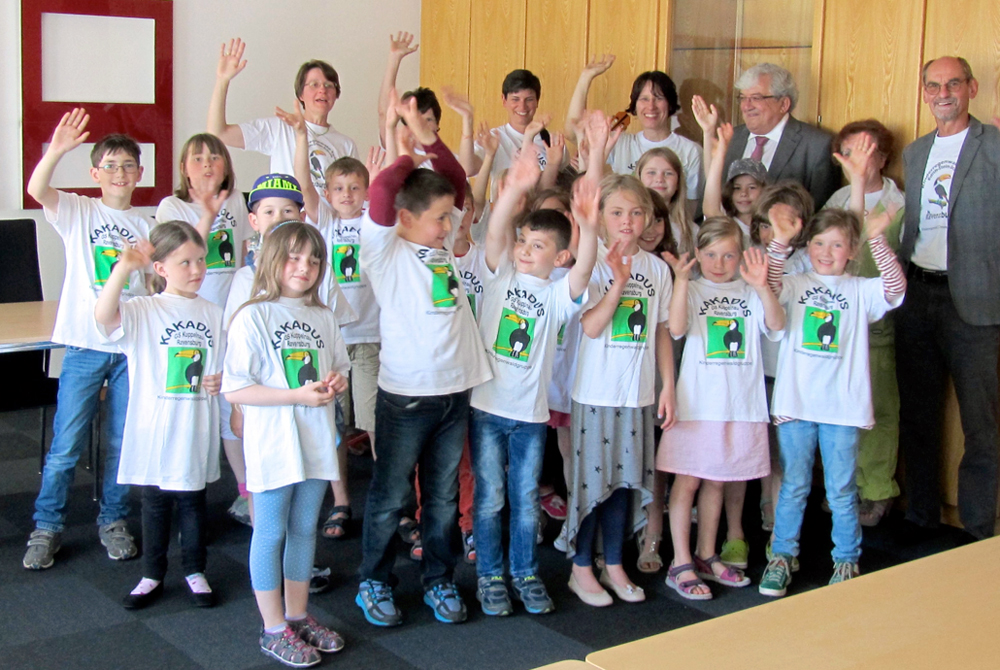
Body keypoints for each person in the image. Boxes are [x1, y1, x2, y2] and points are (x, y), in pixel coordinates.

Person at [355, 92, 491, 627]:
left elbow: (454, 178)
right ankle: (374, 579)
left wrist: (426, 135)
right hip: (407, 396)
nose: (447, 226)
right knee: (391, 496)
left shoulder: (436, 242)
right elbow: (382, 191)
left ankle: (438, 579)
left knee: (441, 497)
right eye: (437, 219)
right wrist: (407, 152)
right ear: (406, 218)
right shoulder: (384, 251)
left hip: (454, 392)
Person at [469, 134, 600, 616]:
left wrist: (587, 226)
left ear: (559, 257)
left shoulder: (557, 296)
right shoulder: (498, 275)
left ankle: (524, 572)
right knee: (489, 498)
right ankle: (490, 574)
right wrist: (516, 187)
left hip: (529, 416)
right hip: (486, 409)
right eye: (523, 242)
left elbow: (585, 270)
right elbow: (496, 229)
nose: (524, 250)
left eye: (538, 245)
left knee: (524, 498)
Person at [23, 109, 151, 570]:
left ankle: (113, 519)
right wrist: (57, 149)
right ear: (95, 174)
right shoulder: (79, 210)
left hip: (129, 350)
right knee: (66, 445)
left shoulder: (148, 226)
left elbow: (153, 288)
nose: (120, 173)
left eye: (128, 165)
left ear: (140, 173)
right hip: (83, 346)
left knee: (120, 442)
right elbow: (37, 190)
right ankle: (47, 525)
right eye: (110, 166)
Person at [759, 207, 906, 597]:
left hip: (842, 409)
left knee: (841, 490)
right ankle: (782, 555)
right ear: (808, 246)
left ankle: (845, 559)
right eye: (819, 243)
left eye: (837, 245)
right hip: (796, 404)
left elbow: (894, 289)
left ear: (852, 251)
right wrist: (780, 241)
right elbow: (768, 286)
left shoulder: (860, 289)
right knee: (794, 485)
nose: (826, 252)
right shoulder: (796, 283)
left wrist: (878, 238)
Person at [223, 222, 351, 667]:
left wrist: (337, 381)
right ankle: (273, 627)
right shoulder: (253, 315)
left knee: (302, 529)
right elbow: (236, 389)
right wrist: (295, 396)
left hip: (315, 441)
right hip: (274, 444)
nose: (305, 267)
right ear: (272, 260)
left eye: (314, 259)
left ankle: (297, 615)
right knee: (270, 531)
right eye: (294, 257)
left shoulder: (324, 316)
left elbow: (339, 368)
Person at [566, 126, 676, 606]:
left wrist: (668, 386)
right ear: (602, 217)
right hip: (596, 392)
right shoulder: (592, 263)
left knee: (624, 484)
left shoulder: (657, 268)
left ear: (648, 216)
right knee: (592, 483)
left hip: (638, 394)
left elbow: (661, 330)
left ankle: (614, 563)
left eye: (636, 212)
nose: (627, 222)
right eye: (616, 213)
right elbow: (591, 326)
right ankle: (580, 567)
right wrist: (617, 283)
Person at [94, 222, 224, 610]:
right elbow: (103, 316)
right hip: (154, 427)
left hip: (194, 425)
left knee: (192, 500)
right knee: (154, 502)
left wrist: (221, 378)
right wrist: (124, 268)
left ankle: (195, 570)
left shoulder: (214, 313)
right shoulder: (144, 309)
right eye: (185, 262)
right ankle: (152, 573)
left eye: (200, 260)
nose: (197, 269)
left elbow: (225, 365)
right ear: (161, 268)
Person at [896, 56, 1000, 541]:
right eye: (934, 85)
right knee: (918, 414)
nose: (943, 93)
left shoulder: (994, 145)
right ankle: (920, 518)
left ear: (971, 88)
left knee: (981, 422)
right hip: (917, 295)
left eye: (953, 84)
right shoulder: (916, 152)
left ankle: (977, 527)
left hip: (975, 304)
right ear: (924, 93)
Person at [660, 218, 784, 600]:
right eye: (711, 254)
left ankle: (706, 554)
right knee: (688, 481)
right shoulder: (693, 288)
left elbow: (776, 324)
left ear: (742, 256)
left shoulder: (750, 290)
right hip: (698, 404)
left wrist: (761, 286)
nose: (719, 263)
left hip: (740, 405)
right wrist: (682, 281)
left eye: (728, 255)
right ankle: (680, 561)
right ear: (697, 254)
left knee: (718, 480)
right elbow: (676, 328)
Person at [288, 102, 380, 540]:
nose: (346, 194)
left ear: (366, 192)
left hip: (370, 339)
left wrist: (380, 177)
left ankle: (386, 498)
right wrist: (302, 138)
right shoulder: (322, 220)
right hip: (332, 340)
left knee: (374, 422)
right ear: (327, 194)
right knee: (335, 426)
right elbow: (303, 183)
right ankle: (341, 501)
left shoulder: (373, 223)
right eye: (339, 188)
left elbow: (385, 203)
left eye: (355, 188)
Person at [155, 133, 252, 526]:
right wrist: (209, 212)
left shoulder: (238, 201)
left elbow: (244, 254)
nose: (208, 164)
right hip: (190, 323)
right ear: (184, 169)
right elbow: (182, 250)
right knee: (191, 406)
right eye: (197, 158)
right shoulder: (171, 206)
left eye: (215, 157)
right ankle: (180, 496)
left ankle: (246, 492)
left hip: (231, 319)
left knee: (233, 405)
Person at [825, 120, 905, 527]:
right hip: (839, 321)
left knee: (880, 407)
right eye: (849, 152)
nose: (857, 159)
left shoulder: (899, 202)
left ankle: (876, 490)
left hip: (881, 317)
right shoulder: (837, 200)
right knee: (843, 407)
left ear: (883, 158)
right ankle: (848, 487)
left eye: (866, 151)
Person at [208, 38, 358, 192]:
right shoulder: (280, 128)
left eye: (329, 85)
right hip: (287, 207)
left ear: (336, 94)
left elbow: (353, 195)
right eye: (314, 84)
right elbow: (219, 133)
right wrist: (222, 80)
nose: (322, 90)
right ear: (300, 94)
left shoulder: (346, 145)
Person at [565, 55, 703, 211]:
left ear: (670, 104)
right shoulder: (619, 142)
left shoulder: (691, 151)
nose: (651, 106)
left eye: (658, 98)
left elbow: (691, 209)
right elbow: (574, 131)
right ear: (635, 106)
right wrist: (585, 78)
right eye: (644, 99)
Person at [719, 63, 840, 209]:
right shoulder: (730, 137)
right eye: (743, 98)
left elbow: (821, 211)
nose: (746, 106)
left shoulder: (817, 146)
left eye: (756, 98)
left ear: (784, 104)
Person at [473, 69, 558, 182]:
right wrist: (467, 121)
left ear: (537, 101)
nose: (522, 107)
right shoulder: (493, 139)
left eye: (529, 100)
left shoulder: (553, 141)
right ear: (504, 100)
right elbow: (469, 170)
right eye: (515, 99)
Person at [635, 148, 696, 255]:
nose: (659, 179)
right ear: (639, 178)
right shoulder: (628, 223)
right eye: (651, 172)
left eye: (668, 173)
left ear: (678, 183)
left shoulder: (691, 231)